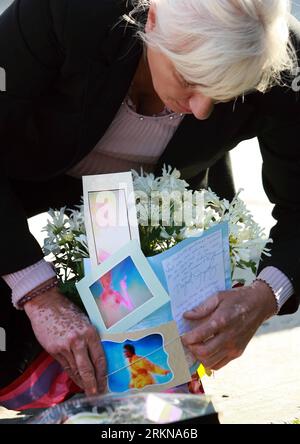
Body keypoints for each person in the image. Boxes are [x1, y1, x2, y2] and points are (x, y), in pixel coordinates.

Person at [0, 0, 300, 396]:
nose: (202, 109)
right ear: (153, 18)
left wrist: (265, 296)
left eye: (224, 90)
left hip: (157, 210)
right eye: (189, 78)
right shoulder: (68, 11)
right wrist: (38, 294)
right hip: (21, 178)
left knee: (150, 381)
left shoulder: (282, 63)